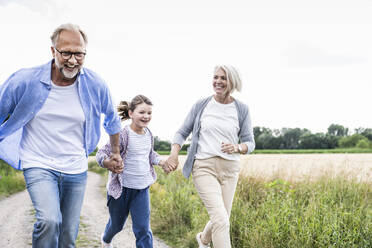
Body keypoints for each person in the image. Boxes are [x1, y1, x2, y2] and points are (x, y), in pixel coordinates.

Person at [0, 23, 122, 248]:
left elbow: (112, 120)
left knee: (67, 234)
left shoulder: (95, 84)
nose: (73, 60)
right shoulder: (25, 80)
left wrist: (115, 152)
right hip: (37, 162)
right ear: (53, 51)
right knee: (49, 220)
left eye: (79, 54)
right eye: (66, 52)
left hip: (75, 166)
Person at [165, 65, 255, 248]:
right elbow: (182, 132)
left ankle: (203, 240)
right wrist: (174, 155)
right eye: (216, 77)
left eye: (224, 78)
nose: (218, 81)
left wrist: (237, 147)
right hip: (204, 167)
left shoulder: (242, 109)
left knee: (222, 217)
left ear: (233, 82)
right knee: (221, 220)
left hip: (230, 170)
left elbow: (250, 142)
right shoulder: (202, 105)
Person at [96, 95, 171, 248]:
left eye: (149, 113)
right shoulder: (123, 134)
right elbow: (101, 153)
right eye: (142, 112)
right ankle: (106, 239)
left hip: (141, 189)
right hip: (121, 190)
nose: (146, 116)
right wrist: (107, 162)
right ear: (131, 114)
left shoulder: (148, 134)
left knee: (143, 229)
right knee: (117, 225)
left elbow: (150, 154)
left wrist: (162, 162)